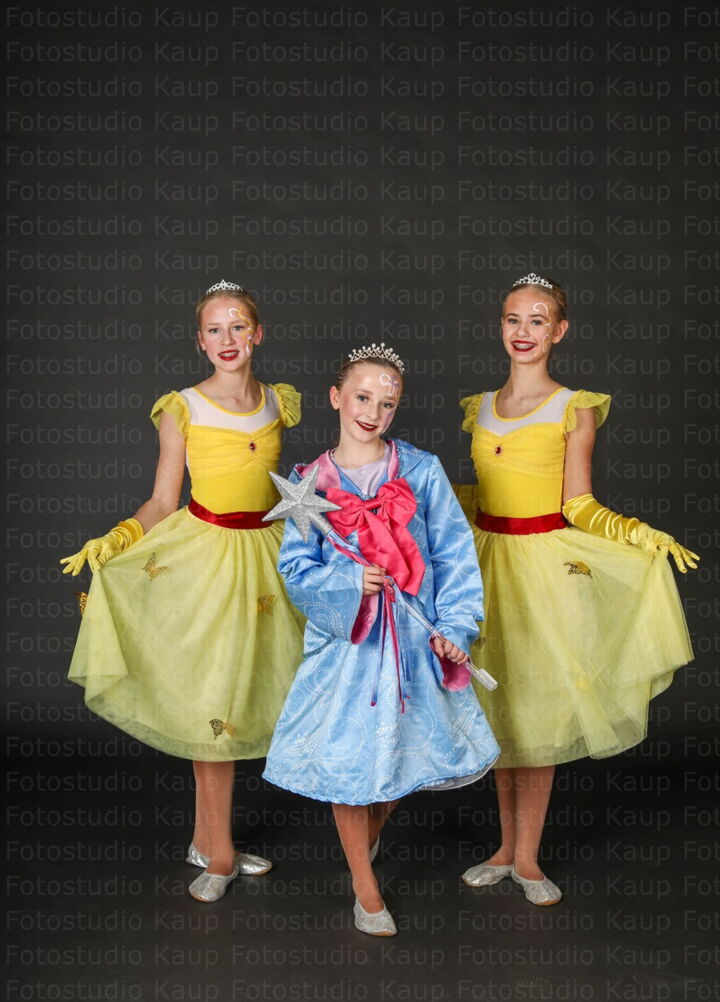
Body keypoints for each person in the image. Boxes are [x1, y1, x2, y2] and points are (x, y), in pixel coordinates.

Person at [61, 281, 305, 902]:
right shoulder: (183, 407)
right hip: (207, 562)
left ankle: (205, 838)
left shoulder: (277, 403)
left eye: (238, 326)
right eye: (215, 330)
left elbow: (280, 489)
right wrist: (117, 539)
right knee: (213, 702)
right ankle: (220, 855)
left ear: (258, 334)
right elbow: (163, 500)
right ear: (200, 341)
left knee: (244, 697)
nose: (228, 339)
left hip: (266, 560)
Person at [458, 272, 696, 905]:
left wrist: (636, 532)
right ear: (500, 326)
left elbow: (578, 503)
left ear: (558, 331)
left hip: (544, 569)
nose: (524, 331)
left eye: (538, 321)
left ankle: (528, 859)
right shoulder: (480, 407)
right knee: (499, 706)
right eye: (514, 319)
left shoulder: (574, 407)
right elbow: (483, 492)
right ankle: (502, 848)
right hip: (487, 564)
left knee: (539, 707)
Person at [263, 344, 499, 936]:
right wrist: (349, 581)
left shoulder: (420, 470)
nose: (372, 413)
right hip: (349, 647)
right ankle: (365, 889)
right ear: (336, 397)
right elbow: (296, 568)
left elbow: (453, 555)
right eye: (362, 398)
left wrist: (454, 627)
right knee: (348, 760)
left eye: (386, 404)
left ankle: (365, 837)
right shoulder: (309, 484)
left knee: (404, 752)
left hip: (413, 644)